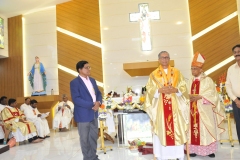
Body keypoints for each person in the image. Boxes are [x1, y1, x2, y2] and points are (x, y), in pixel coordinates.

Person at [144, 51, 190, 160]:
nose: (165, 59)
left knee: (177, 129)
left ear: (169, 59)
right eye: (163, 57)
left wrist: (176, 90)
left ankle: (177, 155)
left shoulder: (177, 72)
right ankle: (162, 155)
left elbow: (184, 86)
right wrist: (159, 90)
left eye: (167, 57)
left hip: (175, 108)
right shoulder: (153, 74)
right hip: (161, 108)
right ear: (159, 59)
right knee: (161, 129)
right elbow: (149, 89)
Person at [188, 52, 225, 158]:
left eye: (195, 68)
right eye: (192, 68)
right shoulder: (189, 81)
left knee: (206, 129)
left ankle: (209, 151)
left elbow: (212, 94)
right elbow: (186, 93)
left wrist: (200, 97)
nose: (193, 71)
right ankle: (194, 149)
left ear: (201, 70)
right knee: (193, 130)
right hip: (192, 110)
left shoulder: (207, 80)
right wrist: (189, 97)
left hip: (204, 110)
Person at [70, 60, 102, 160]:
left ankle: (93, 157)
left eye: (89, 67)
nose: (89, 69)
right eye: (86, 67)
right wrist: (92, 104)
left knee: (93, 137)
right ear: (80, 70)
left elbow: (99, 94)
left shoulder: (92, 80)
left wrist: (98, 102)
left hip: (94, 113)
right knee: (84, 139)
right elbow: (76, 99)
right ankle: (87, 158)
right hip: (83, 114)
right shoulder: (74, 82)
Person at [226, 44, 240, 143]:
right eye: (235, 52)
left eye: (238, 52)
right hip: (236, 101)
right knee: (239, 124)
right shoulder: (231, 69)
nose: (237, 54)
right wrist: (235, 99)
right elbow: (228, 86)